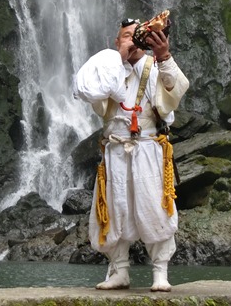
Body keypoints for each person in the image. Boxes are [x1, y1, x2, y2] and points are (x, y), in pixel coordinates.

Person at [76, 16, 189, 291]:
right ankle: (119, 271)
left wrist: (164, 55)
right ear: (117, 43)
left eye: (138, 35)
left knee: (155, 209)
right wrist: (119, 60)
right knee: (114, 209)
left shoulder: (156, 66)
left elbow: (173, 95)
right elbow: (89, 91)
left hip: (148, 148)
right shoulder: (107, 69)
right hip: (115, 148)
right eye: (127, 36)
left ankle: (160, 273)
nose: (133, 40)